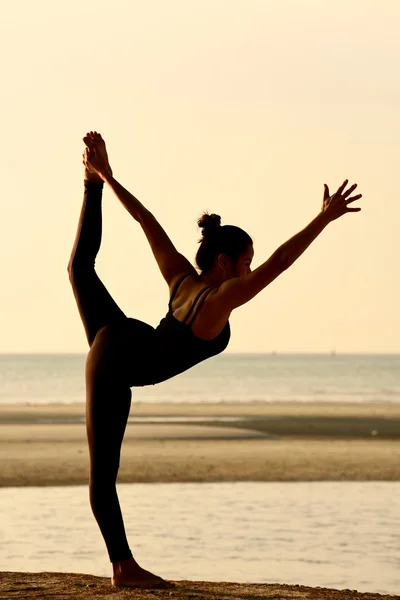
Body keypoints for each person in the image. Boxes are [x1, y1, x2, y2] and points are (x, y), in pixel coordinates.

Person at [68, 131, 362, 588]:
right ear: (225, 262)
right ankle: (123, 568)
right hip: (116, 360)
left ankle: (89, 186)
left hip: (121, 338)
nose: (251, 269)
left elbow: (147, 221)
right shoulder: (219, 299)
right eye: (247, 261)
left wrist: (106, 176)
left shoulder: (182, 278)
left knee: (79, 270)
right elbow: (280, 263)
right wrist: (322, 219)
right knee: (102, 475)